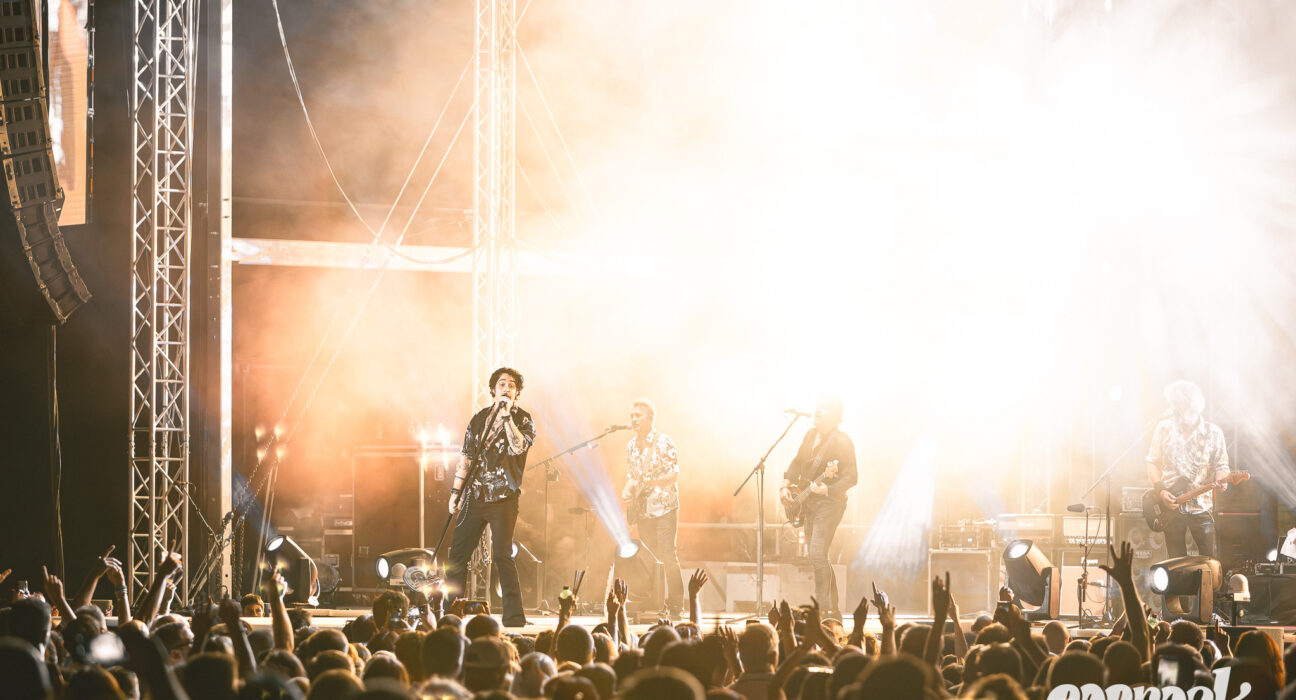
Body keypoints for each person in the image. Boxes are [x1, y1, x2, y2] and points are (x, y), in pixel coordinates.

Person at [446, 367, 537, 627]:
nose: (505, 388)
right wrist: (456, 491)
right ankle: (451, 612)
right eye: (501, 384)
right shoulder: (478, 419)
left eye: (511, 385)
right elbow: (466, 456)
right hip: (475, 495)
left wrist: (507, 417)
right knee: (458, 556)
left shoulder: (523, 419)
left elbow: (518, 447)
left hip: (504, 498)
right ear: (493, 389)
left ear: (516, 392)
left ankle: (514, 617)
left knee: (502, 555)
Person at [779, 396, 857, 619]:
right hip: (809, 502)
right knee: (819, 556)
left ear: (834, 415)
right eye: (817, 407)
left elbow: (852, 475)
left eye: (824, 409)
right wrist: (784, 486)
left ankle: (823, 610)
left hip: (829, 504)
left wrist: (829, 490)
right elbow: (796, 462)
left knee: (816, 553)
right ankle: (831, 608)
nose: (817, 411)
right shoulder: (810, 435)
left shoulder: (842, 441)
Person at [1146, 380, 1230, 558]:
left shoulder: (1213, 433)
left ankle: (1208, 587)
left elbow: (1222, 465)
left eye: (1179, 403)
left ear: (1193, 404)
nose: (1175, 408)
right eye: (1173, 403)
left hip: (1201, 507)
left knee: (1209, 563)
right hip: (1171, 506)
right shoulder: (1164, 428)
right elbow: (1152, 462)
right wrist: (1160, 490)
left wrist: (1223, 479)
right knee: (1175, 566)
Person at [621, 398, 684, 615]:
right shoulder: (631, 445)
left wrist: (650, 483)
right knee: (649, 558)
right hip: (644, 510)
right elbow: (632, 473)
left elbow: (673, 474)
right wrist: (628, 488)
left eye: (638, 415)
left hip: (664, 507)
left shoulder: (664, 442)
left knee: (667, 555)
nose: (634, 419)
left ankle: (676, 604)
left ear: (650, 418)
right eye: (632, 416)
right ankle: (654, 601)